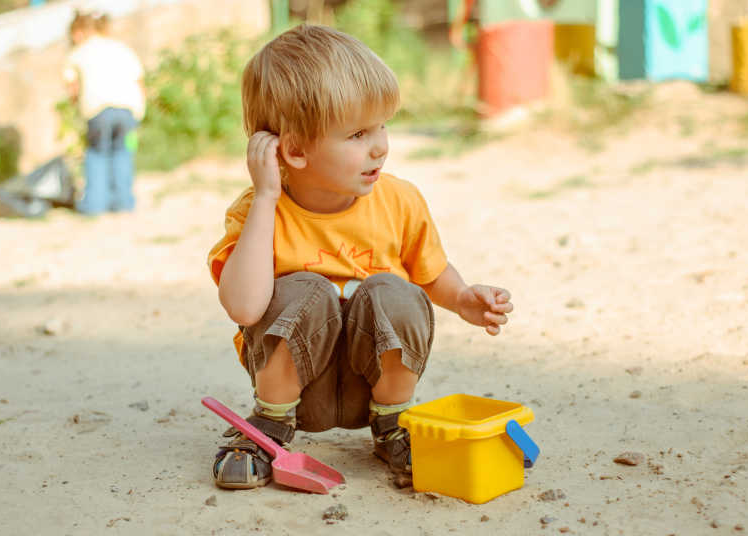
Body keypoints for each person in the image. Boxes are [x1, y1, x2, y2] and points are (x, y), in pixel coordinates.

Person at [207, 24, 513, 489]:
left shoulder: (400, 201)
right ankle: (267, 427)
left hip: (371, 387)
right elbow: (245, 308)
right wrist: (268, 195)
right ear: (293, 149)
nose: (380, 146)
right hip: (296, 391)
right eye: (357, 134)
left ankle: (394, 426)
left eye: (383, 125)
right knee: (304, 288)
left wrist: (463, 297)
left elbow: (430, 272)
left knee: (395, 290)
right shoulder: (256, 213)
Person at [64, 11, 145, 214]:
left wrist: (75, 106)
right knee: (122, 152)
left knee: (96, 153)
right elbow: (139, 81)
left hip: (98, 109)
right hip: (128, 109)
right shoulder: (121, 48)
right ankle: (124, 202)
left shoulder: (79, 52)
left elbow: (72, 86)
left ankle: (94, 205)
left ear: (79, 32)